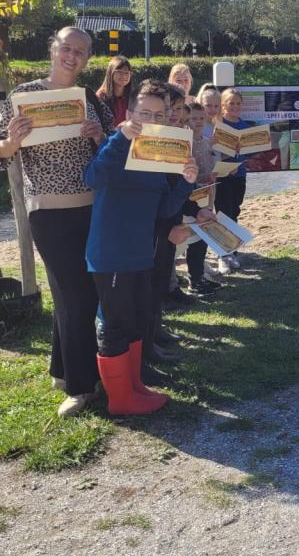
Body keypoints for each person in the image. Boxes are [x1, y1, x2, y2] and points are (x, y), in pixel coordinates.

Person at [0, 27, 112, 418]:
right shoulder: (23, 97)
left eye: (81, 51)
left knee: (75, 291)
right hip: (47, 209)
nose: (72, 56)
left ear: (88, 58)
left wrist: (98, 136)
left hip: (93, 206)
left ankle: (63, 370)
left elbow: (111, 152)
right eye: (66, 48)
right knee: (76, 294)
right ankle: (82, 386)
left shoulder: (90, 98)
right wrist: (12, 142)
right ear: (52, 49)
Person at [83, 80, 198, 415]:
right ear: (131, 113)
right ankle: (120, 400)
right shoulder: (116, 146)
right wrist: (120, 138)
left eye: (158, 114)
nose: (151, 118)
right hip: (110, 252)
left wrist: (186, 184)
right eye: (144, 112)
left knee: (134, 319)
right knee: (115, 324)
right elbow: (93, 178)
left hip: (139, 253)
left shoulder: (158, 154)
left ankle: (133, 387)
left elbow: (163, 208)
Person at [185, 103, 221, 295]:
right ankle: (194, 279)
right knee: (194, 238)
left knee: (205, 235)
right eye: (193, 118)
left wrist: (216, 174)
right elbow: (186, 174)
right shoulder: (186, 143)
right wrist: (200, 178)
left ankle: (200, 277)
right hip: (193, 196)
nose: (198, 122)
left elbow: (212, 164)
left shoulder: (208, 140)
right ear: (186, 120)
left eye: (201, 118)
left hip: (208, 193)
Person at [216, 88, 252, 273]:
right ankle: (222, 255)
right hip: (222, 177)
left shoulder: (245, 126)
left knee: (235, 212)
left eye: (238, 103)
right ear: (223, 105)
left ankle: (232, 252)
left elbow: (251, 151)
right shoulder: (218, 125)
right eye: (231, 103)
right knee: (223, 214)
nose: (235, 107)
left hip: (240, 176)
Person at [96, 55, 133, 127]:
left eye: (127, 73)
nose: (124, 76)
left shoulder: (133, 96)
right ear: (111, 73)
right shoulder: (100, 97)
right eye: (119, 72)